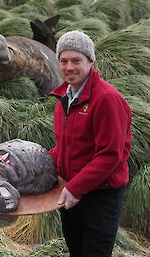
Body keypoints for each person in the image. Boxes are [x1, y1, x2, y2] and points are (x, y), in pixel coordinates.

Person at [48, 30, 132, 257]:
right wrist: (40, 161)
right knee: (76, 250)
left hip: (99, 195)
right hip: (71, 191)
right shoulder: (65, 96)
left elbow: (110, 155)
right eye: (63, 61)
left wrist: (76, 188)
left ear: (91, 61)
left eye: (76, 60)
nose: (69, 67)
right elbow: (66, 147)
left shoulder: (107, 99)